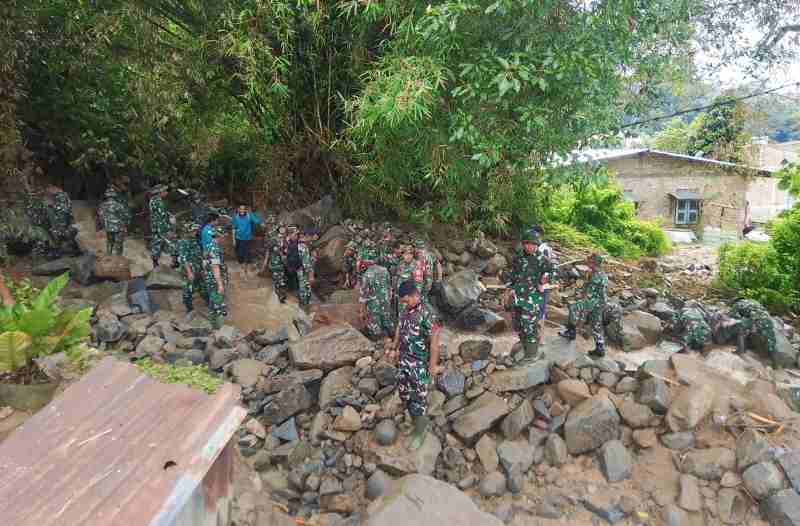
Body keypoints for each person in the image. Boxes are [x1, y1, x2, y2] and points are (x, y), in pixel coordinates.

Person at [387, 280, 441, 450]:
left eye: (406, 300)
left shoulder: (428, 313)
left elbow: (434, 343)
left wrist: (432, 367)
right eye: (402, 301)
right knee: (405, 394)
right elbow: (399, 328)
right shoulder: (406, 310)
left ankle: (420, 431)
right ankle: (414, 421)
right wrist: (394, 347)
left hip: (420, 366)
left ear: (415, 295)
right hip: (404, 362)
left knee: (420, 398)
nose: (404, 303)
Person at [506, 229, 553, 362]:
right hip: (517, 296)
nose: (528, 246)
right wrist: (508, 289)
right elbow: (513, 276)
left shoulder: (543, 260)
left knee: (529, 325)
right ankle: (524, 346)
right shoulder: (518, 258)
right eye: (526, 243)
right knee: (518, 324)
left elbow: (552, 274)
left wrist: (545, 279)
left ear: (537, 244)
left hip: (533, 298)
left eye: (532, 244)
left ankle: (532, 355)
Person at [560, 253, 608, 358]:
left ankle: (571, 332)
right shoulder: (601, 273)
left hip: (594, 301)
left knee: (574, 307)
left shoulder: (596, 274)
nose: (587, 262)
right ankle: (600, 347)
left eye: (590, 261)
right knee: (596, 324)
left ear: (594, 263)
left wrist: (581, 300)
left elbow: (589, 291)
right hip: (600, 303)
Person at [358, 249, 395, 342]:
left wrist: (361, 311)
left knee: (375, 327)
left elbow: (363, 296)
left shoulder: (367, 275)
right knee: (387, 321)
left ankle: (378, 343)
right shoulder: (385, 270)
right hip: (386, 302)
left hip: (374, 305)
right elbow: (389, 287)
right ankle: (393, 338)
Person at [202, 213, 229, 329]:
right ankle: (220, 330)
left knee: (213, 303)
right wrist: (220, 284)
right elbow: (215, 267)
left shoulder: (208, 247)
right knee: (219, 306)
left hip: (209, 279)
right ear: (219, 236)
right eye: (223, 236)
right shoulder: (214, 249)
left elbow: (204, 263)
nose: (224, 239)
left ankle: (213, 325)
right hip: (214, 280)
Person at [176, 222, 206, 313]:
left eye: (196, 230)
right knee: (187, 289)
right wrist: (189, 272)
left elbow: (198, 254)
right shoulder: (183, 242)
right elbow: (184, 259)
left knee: (202, 286)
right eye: (194, 230)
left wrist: (202, 266)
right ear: (188, 231)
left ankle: (208, 301)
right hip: (189, 271)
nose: (195, 232)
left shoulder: (194, 240)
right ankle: (189, 308)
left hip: (197, 269)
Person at [261, 214, 288, 302]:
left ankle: (281, 294)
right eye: (281, 228)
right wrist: (265, 262)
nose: (282, 229)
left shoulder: (286, 239)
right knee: (278, 280)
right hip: (275, 263)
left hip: (284, 263)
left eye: (284, 228)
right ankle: (280, 296)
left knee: (282, 279)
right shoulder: (274, 239)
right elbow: (268, 250)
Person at [46, 184, 79, 256]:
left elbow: (64, 210)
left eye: (50, 189)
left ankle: (74, 250)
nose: (49, 191)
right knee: (58, 234)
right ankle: (59, 250)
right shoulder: (58, 196)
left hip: (63, 222)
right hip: (60, 222)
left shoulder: (61, 196)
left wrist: (52, 206)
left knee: (64, 234)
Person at [98, 187, 131, 256]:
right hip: (119, 227)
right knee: (118, 244)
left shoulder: (102, 205)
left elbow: (100, 216)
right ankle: (118, 259)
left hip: (108, 228)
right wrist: (126, 225)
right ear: (114, 195)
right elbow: (126, 216)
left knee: (110, 242)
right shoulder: (119, 205)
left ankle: (108, 256)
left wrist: (103, 225)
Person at [148, 184, 173, 268]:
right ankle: (171, 262)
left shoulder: (152, 200)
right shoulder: (158, 201)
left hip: (155, 226)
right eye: (165, 191)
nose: (166, 193)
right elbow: (162, 216)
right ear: (160, 192)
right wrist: (169, 228)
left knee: (156, 243)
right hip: (160, 227)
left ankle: (155, 262)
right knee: (163, 243)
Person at [393, 244, 418, 319]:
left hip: (408, 298)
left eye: (410, 254)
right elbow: (397, 276)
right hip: (398, 295)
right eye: (406, 254)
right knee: (398, 314)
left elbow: (418, 285)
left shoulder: (416, 265)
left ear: (413, 255)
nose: (408, 256)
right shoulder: (401, 264)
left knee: (407, 317)